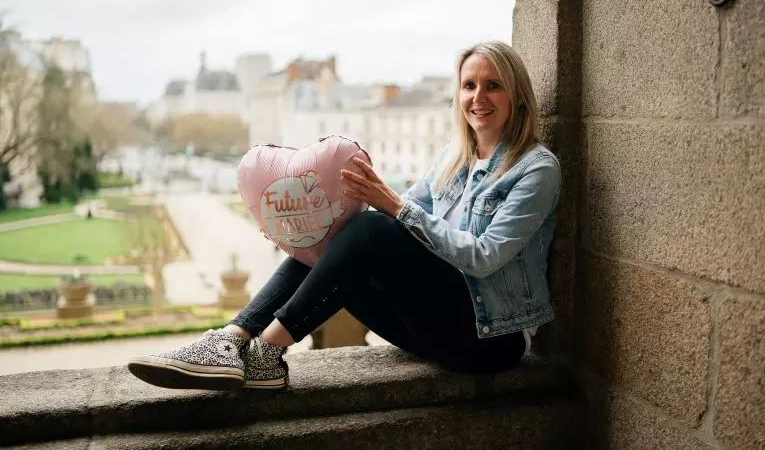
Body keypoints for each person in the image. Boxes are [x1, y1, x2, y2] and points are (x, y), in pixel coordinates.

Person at [128, 41, 561, 391]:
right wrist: (299, 226)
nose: (478, 97)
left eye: (493, 85)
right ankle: (230, 339)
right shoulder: (455, 157)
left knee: (371, 229)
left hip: (487, 341)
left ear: (517, 96)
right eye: (469, 86)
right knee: (329, 233)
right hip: (431, 325)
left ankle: (266, 351)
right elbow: (394, 226)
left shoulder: (536, 168)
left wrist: (393, 206)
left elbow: (482, 256)